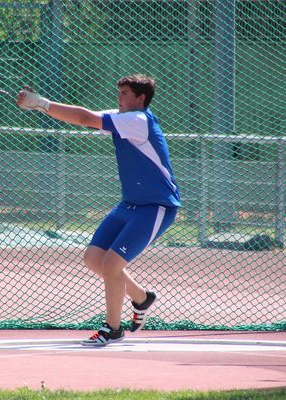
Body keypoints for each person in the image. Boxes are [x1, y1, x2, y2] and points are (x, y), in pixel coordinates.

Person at [17, 75, 181, 346]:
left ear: (141, 99)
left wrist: (42, 103)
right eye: (119, 93)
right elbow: (83, 117)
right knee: (94, 259)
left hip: (156, 207)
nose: (119, 98)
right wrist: (40, 106)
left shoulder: (138, 121)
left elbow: (85, 118)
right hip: (129, 204)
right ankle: (141, 297)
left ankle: (112, 329)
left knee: (112, 264)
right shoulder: (122, 118)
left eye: (125, 93)